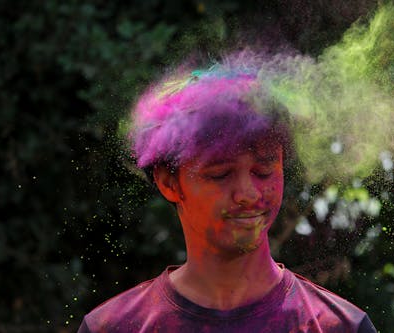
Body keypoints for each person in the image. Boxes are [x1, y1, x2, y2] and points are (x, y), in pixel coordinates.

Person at [78, 62, 377, 332]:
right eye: (220, 174)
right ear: (169, 182)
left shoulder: (339, 327)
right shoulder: (114, 327)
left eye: (263, 171)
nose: (248, 194)